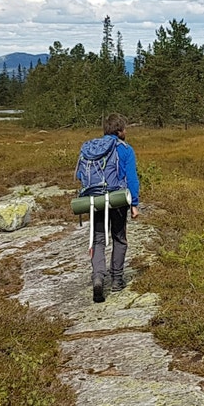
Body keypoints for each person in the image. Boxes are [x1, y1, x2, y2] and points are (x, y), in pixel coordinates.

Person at [82, 112, 139, 299]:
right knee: (119, 238)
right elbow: (131, 178)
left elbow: (81, 176)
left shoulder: (92, 148)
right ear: (120, 131)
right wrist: (134, 204)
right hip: (117, 199)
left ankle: (98, 277)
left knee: (98, 240)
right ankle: (117, 280)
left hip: (95, 199)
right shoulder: (125, 149)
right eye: (125, 128)